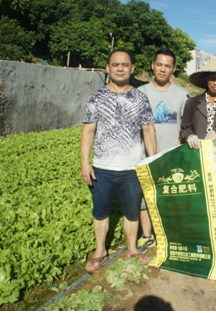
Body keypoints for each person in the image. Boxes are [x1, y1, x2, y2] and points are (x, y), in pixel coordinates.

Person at [81, 48, 157, 271]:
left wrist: (152, 163)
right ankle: (100, 250)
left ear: (132, 69)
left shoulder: (141, 98)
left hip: (132, 168)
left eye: (125, 64)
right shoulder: (96, 97)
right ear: (108, 68)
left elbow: (149, 131)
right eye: (115, 64)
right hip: (102, 167)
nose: (120, 68)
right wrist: (85, 162)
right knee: (100, 211)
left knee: (132, 211)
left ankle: (132, 248)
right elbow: (88, 131)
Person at [137, 48, 189, 250]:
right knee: (145, 196)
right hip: (144, 155)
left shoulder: (181, 94)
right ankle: (147, 235)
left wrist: (177, 148)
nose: (162, 69)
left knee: (170, 195)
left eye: (167, 66)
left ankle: (168, 234)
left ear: (173, 69)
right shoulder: (140, 93)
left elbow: (186, 126)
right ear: (152, 65)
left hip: (171, 154)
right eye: (159, 64)